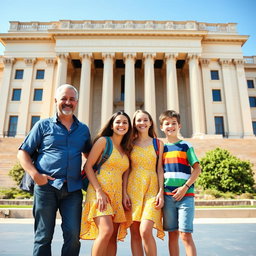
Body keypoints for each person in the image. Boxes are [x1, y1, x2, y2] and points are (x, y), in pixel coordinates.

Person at [17, 84, 92, 256]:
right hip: (46, 188)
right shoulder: (43, 125)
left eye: (71, 99)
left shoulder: (83, 129)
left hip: (72, 189)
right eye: (64, 98)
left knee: (73, 236)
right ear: (56, 100)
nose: (67, 102)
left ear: (76, 102)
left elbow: (90, 155)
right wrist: (35, 175)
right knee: (43, 237)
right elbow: (23, 152)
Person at [80, 111, 133, 256]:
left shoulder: (126, 148)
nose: (121, 125)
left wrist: (124, 195)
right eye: (118, 122)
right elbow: (88, 166)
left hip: (116, 195)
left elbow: (125, 175)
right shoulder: (104, 141)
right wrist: (99, 191)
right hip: (99, 192)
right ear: (111, 125)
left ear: (129, 126)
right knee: (106, 230)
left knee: (112, 238)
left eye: (125, 122)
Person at [159, 110, 201, 256]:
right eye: (167, 124)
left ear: (179, 126)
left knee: (185, 235)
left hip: (186, 196)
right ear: (161, 127)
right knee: (172, 235)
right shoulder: (161, 149)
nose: (170, 126)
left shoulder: (186, 146)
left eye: (174, 123)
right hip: (168, 197)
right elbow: (159, 172)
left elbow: (197, 169)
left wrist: (185, 187)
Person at [123, 110, 165, 256]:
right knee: (134, 233)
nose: (142, 123)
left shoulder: (158, 143)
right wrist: (124, 194)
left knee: (145, 230)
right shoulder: (129, 144)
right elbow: (126, 170)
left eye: (145, 120)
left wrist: (161, 192)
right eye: (138, 120)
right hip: (133, 189)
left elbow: (160, 169)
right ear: (134, 123)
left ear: (150, 122)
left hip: (152, 189)